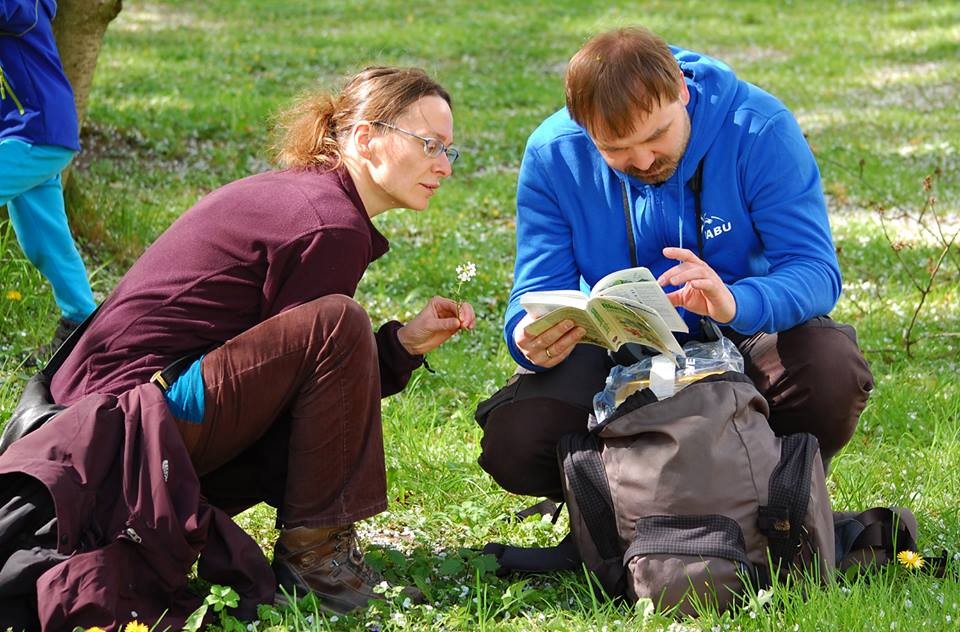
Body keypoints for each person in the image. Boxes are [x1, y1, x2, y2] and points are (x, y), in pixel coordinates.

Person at [48, 65, 475, 613]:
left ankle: (307, 548)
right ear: (366, 138)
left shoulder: (314, 198)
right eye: (429, 144)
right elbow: (311, 392)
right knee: (337, 323)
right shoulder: (329, 223)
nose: (444, 165)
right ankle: (317, 561)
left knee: (333, 331)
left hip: (98, 427)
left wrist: (402, 346)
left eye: (449, 151)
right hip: (121, 433)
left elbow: (293, 377)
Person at [476, 26, 874, 503]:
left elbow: (815, 270)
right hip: (617, 345)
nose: (642, 160)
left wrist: (734, 300)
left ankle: (770, 489)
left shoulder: (758, 127)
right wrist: (526, 337)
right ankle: (619, 504)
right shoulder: (553, 153)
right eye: (615, 150)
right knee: (515, 442)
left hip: (737, 331)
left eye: (656, 135)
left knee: (830, 375)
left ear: (682, 92)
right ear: (583, 128)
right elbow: (536, 287)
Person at [1, 0, 97, 346]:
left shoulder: (21, 6)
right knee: (45, 241)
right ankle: (83, 324)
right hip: (31, 134)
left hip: (37, 132)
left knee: (46, 241)